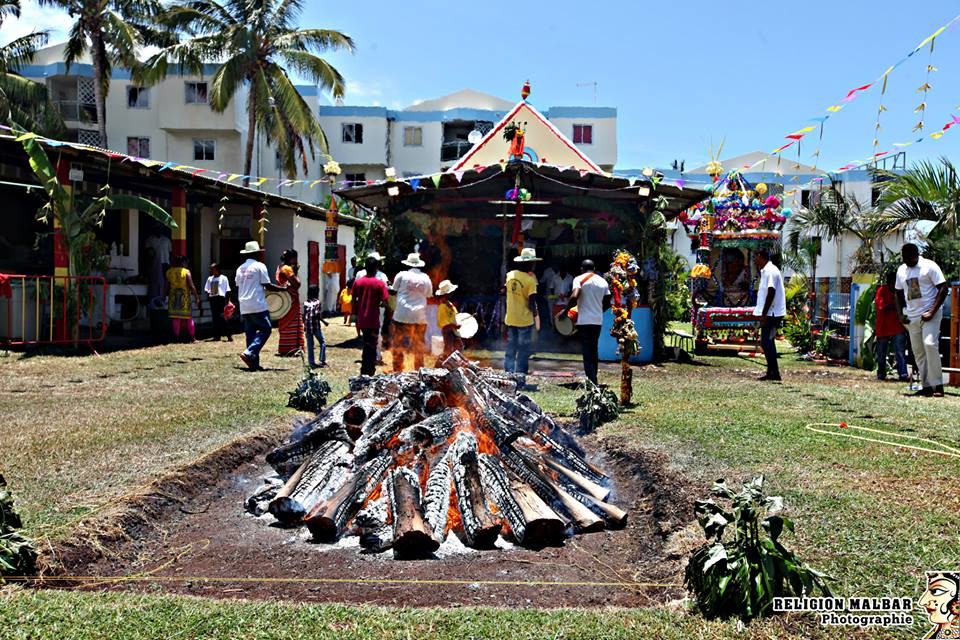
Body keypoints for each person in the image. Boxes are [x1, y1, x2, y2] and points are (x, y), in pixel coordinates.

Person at [895, 243, 948, 397]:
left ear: (916, 255)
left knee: (930, 344)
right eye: (904, 258)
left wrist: (932, 311)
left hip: (930, 314)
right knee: (918, 352)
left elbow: (943, 288)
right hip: (912, 317)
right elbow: (897, 293)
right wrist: (900, 314)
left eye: (909, 258)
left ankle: (938, 385)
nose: (907, 261)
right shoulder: (901, 270)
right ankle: (926, 387)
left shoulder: (929, 266)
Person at [236, 241, 286, 371]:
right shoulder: (259, 266)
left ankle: (253, 364)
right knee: (266, 329)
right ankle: (249, 352)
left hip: (244, 305)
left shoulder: (239, 268)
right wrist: (283, 289)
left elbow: (238, 285)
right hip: (257, 304)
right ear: (256, 253)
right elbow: (267, 285)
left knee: (250, 334)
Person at [565, 259, 610, 384]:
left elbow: (574, 296)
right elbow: (607, 302)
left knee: (586, 350)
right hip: (597, 320)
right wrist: (597, 310)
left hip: (584, 320)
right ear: (594, 268)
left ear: (581, 269)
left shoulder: (578, 279)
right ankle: (593, 377)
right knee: (594, 349)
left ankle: (591, 380)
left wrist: (565, 312)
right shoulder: (603, 281)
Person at [504, 247, 540, 388]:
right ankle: (520, 380)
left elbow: (505, 290)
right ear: (530, 264)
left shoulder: (510, 275)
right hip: (525, 320)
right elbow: (532, 302)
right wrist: (536, 315)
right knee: (523, 351)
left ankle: (508, 378)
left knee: (511, 349)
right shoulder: (530, 280)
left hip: (511, 318)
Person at [391, 252, 433, 372]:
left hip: (401, 315)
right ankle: (419, 371)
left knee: (397, 343)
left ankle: (397, 371)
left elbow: (394, 290)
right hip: (419, 317)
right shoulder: (426, 278)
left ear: (408, 264)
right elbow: (429, 295)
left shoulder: (401, 275)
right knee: (419, 346)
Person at [752, 247, 786, 381]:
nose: (755, 260)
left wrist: (764, 314)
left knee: (766, 342)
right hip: (771, 312)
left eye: (756, 257)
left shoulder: (770, 271)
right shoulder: (767, 270)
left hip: (772, 313)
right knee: (767, 342)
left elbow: (771, 292)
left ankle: (774, 372)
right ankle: (772, 372)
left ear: (761, 256)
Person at [352, 256, 390, 376]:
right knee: (372, 346)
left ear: (365, 267)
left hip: (362, 319)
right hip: (373, 319)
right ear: (376, 269)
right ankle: (370, 372)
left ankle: (364, 370)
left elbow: (353, 299)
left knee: (366, 343)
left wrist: (356, 310)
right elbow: (384, 302)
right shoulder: (380, 284)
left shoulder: (358, 282)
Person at [874, 270, 908, 382]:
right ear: (888, 282)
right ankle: (881, 374)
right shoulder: (882, 290)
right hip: (883, 326)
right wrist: (897, 305)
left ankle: (903, 374)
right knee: (881, 352)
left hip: (898, 325)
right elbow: (881, 306)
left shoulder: (901, 291)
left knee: (900, 351)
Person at [275, 249, 304, 356]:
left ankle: (285, 347)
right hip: (290, 301)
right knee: (292, 323)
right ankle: (292, 348)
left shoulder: (280, 267)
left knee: (285, 323)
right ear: (292, 258)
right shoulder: (287, 269)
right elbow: (297, 284)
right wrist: (296, 271)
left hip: (284, 300)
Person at [164, 255, 199, 342]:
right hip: (184, 297)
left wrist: (163, 295)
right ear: (183, 263)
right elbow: (191, 286)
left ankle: (176, 337)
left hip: (173, 297)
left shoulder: (169, 272)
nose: (187, 264)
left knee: (176, 318)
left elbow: (166, 286)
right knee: (188, 317)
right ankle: (192, 338)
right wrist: (196, 297)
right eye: (186, 262)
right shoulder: (186, 272)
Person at [435, 279, 464, 365]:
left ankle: (454, 364)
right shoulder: (442, 307)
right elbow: (444, 324)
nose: (452, 293)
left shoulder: (450, 305)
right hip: (448, 331)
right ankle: (442, 364)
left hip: (454, 331)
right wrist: (453, 326)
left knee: (458, 347)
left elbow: (455, 317)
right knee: (449, 349)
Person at [204, 262, 232, 342]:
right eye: (211, 269)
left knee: (222, 317)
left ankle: (229, 335)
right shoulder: (210, 279)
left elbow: (227, 290)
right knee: (215, 318)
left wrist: (227, 301)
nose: (211, 271)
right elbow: (206, 289)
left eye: (213, 269)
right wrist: (209, 292)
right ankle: (217, 336)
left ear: (217, 269)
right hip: (213, 299)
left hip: (221, 299)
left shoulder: (223, 278)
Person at [303, 285, 329, 368]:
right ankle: (322, 360)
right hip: (315, 326)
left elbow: (304, 315)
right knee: (322, 342)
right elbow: (317, 314)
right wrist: (324, 322)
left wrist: (304, 325)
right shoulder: (317, 302)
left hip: (307, 326)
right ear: (317, 293)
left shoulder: (306, 302)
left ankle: (311, 362)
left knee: (310, 345)